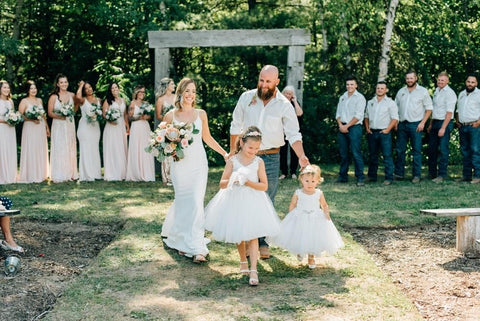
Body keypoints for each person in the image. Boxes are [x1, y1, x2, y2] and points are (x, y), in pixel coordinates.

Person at [230, 65, 309, 259]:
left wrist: (301, 156)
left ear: (277, 82)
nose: (264, 85)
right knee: (245, 197)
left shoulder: (283, 104)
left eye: (268, 82)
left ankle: (262, 242)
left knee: (266, 199)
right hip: (246, 156)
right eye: (261, 80)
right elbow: (235, 124)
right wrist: (233, 152)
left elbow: (293, 133)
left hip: (272, 157)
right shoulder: (246, 97)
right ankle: (248, 240)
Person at [161, 78, 228, 263]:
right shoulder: (170, 116)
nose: (191, 95)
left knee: (196, 202)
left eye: (193, 91)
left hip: (198, 163)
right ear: (180, 93)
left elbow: (207, 137)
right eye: (187, 91)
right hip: (179, 164)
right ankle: (183, 240)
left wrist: (224, 153)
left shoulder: (201, 114)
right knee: (183, 202)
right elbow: (162, 141)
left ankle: (197, 246)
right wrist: (170, 152)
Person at [205, 127, 280, 286]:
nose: (253, 151)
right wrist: (234, 179)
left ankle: (254, 269)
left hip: (253, 200)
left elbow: (264, 186)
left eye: (257, 148)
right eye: (250, 147)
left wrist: (248, 182)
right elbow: (222, 184)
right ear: (242, 143)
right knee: (239, 232)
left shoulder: (258, 162)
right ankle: (242, 261)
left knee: (253, 234)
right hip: (235, 199)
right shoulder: (233, 160)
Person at [268, 165, 343, 269]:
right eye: (307, 181)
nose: (310, 184)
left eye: (313, 181)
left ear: (317, 181)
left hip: (315, 217)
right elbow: (293, 204)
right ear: (301, 179)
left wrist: (326, 213)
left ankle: (311, 257)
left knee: (313, 237)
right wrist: (291, 215)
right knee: (300, 235)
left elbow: (324, 205)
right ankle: (300, 251)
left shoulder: (318, 193)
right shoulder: (298, 193)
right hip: (300, 216)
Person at [394, 70, 433, 183]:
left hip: (416, 124)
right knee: (400, 150)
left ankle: (416, 175)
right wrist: (396, 122)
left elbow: (429, 108)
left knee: (416, 150)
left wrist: (423, 123)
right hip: (402, 124)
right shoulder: (401, 91)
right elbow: (395, 108)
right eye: (407, 78)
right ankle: (399, 174)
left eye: (411, 78)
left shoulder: (423, 91)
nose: (409, 80)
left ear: (416, 78)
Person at [364, 81, 399, 185]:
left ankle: (388, 178)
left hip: (384, 132)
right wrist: (367, 128)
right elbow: (366, 116)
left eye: (382, 88)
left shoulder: (390, 103)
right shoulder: (370, 102)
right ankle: (372, 176)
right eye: (378, 88)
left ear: (386, 90)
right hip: (372, 132)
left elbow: (395, 118)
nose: (380, 90)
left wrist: (388, 129)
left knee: (387, 155)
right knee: (373, 155)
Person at [47, 74, 79, 183]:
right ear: (57, 84)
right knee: (60, 146)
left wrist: (70, 113)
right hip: (58, 125)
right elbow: (50, 113)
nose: (64, 84)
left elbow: (76, 107)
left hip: (69, 124)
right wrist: (60, 116)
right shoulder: (53, 97)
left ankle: (71, 173)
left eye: (65, 82)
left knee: (70, 146)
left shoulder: (72, 95)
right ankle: (59, 173)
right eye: (61, 82)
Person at [335, 76, 366, 186]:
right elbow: (338, 114)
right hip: (342, 127)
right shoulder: (342, 97)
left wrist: (347, 126)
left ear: (356, 85)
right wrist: (340, 125)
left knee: (355, 152)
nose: (349, 86)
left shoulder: (360, 98)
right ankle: (343, 176)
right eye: (348, 84)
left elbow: (358, 116)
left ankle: (360, 177)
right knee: (343, 154)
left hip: (354, 128)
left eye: (352, 84)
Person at [427, 72, 457, 183]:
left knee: (443, 149)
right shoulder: (436, 91)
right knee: (432, 149)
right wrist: (430, 124)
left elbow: (449, 112)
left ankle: (442, 174)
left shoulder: (450, 93)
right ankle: (432, 173)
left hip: (445, 123)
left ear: (447, 81)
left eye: (442, 80)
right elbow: (434, 109)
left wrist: (443, 128)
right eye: (439, 80)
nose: (440, 82)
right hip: (435, 122)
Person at [126, 85, 155, 181]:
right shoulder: (132, 104)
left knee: (146, 148)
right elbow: (129, 118)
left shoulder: (146, 103)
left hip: (145, 127)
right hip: (136, 127)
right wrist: (139, 117)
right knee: (137, 147)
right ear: (137, 93)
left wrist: (147, 117)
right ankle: (136, 173)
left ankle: (147, 172)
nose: (142, 94)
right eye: (141, 92)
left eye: (144, 92)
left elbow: (149, 116)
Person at [455, 74, 480, 184]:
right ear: (466, 82)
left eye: (472, 82)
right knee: (465, 152)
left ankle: (477, 176)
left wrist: (478, 122)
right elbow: (457, 110)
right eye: (468, 82)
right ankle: (466, 175)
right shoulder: (461, 94)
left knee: (475, 151)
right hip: (463, 127)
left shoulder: (479, 94)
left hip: (474, 127)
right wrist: (457, 121)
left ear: (476, 84)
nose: (470, 84)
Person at [76, 81, 102, 182]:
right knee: (86, 149)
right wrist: (81, 85)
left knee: (94, 149)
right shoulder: (82, 100)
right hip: (84, 128)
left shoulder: (99, 99)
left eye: (90, 87)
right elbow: (77, 96)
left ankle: (95, 173)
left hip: (95, 127)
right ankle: (86, 174)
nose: (89, 89)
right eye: (86, 89)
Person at [102, 82, 129, 181]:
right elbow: (104, 114)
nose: (114, 90)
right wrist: (110, 120)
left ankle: (122, 172)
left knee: (121, 147)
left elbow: (125, 114)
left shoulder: (123, 100)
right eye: (112, 88)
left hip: (121, 126)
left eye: (115, 87)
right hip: (112, 127)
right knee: (113, 148)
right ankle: (112, 173)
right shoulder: (108, 101)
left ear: (118, 88)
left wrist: (127, 126)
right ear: (110, 90)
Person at [279, 85, 303, 180]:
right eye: (286, 93)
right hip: (281, 132)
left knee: (294, 151)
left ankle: (293, 172)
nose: (287, 95)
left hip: (293, 131)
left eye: (290, 94)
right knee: (282, 152)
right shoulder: (279, 104)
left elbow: (299, 113)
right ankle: (284, 172)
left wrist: (295, 101)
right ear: (282, 93)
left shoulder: (294, 104)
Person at [155, 78, 176, 185]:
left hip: (177, 127)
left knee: (176, 150)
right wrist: (168, 119)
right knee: (167, 152)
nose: (174, 85)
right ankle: (166, 177)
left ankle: (176, 177)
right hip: (166, 127)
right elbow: (158, 115)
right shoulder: (160, 99)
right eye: (172, 84)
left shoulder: (176, 97)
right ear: (167, 86)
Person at [0, 80, 18, 184]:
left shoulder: (10, 101)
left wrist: (14, 119)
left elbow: (12, 113)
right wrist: (5, 121)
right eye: (4, 88)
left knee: (10, 150)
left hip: (10, 129)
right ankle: (2, 175)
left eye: (8, 88)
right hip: (1, 128)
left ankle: (10, 175)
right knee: (2, 150)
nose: (7, 90)